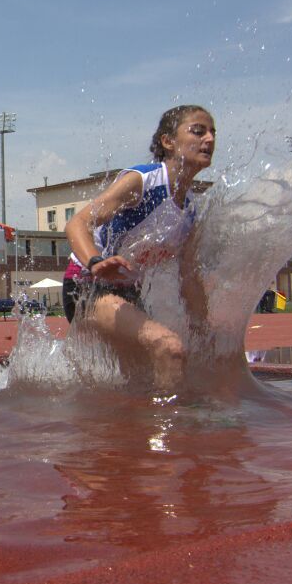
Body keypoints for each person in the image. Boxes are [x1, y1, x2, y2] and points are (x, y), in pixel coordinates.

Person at [63, 104, 214, 393]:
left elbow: (190, 278)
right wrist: (95, 261)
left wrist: (204, 331)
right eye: (198, 131)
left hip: (128, 293)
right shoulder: (143, 181)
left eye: (212, 133)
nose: (209, 139)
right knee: (169, 348)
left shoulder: (191, 210)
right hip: (87, 285)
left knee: (144, 377)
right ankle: (172, 429)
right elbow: (77, 224)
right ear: (167, 142)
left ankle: (134, 431)